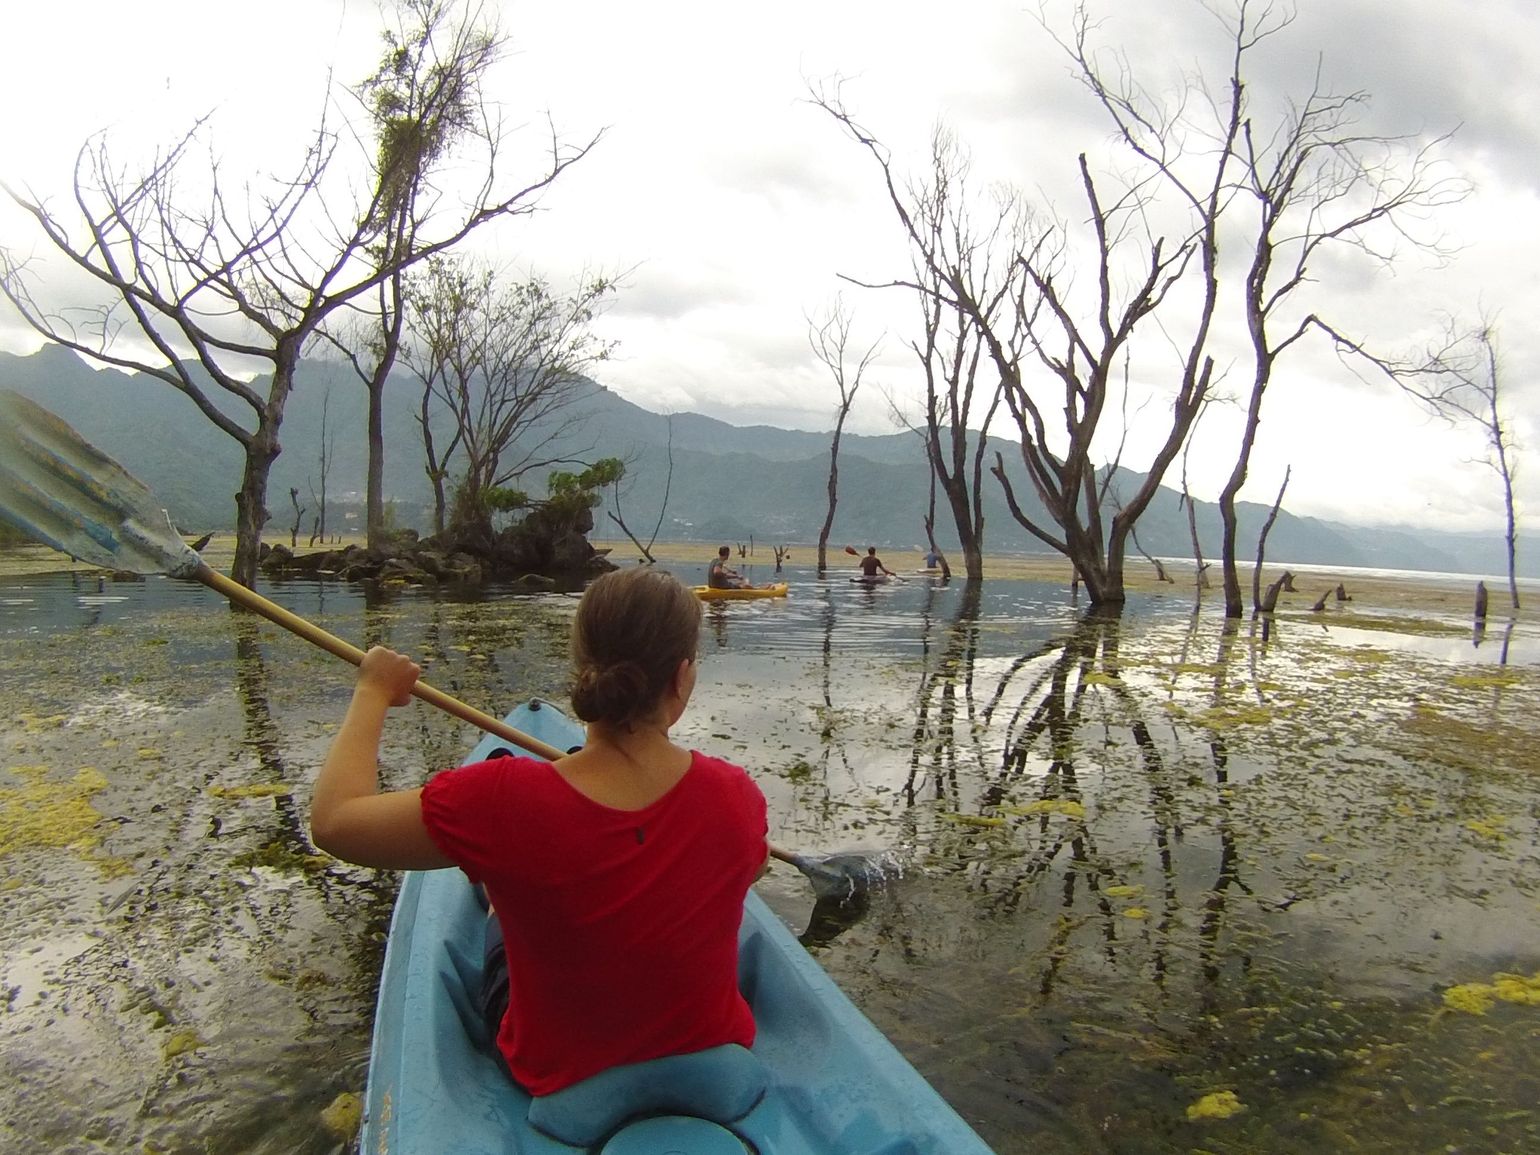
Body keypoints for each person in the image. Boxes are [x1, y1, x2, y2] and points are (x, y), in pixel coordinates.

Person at [309, 566, 769, 1096]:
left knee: (502, 904)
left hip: (558, 1075)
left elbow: (335, 822)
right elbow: (752, 865)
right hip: (715, 1061)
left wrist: (372, 689)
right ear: (683, 677)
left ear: (582, 665)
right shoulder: (737, 795)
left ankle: (495, 895)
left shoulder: (499, 799)